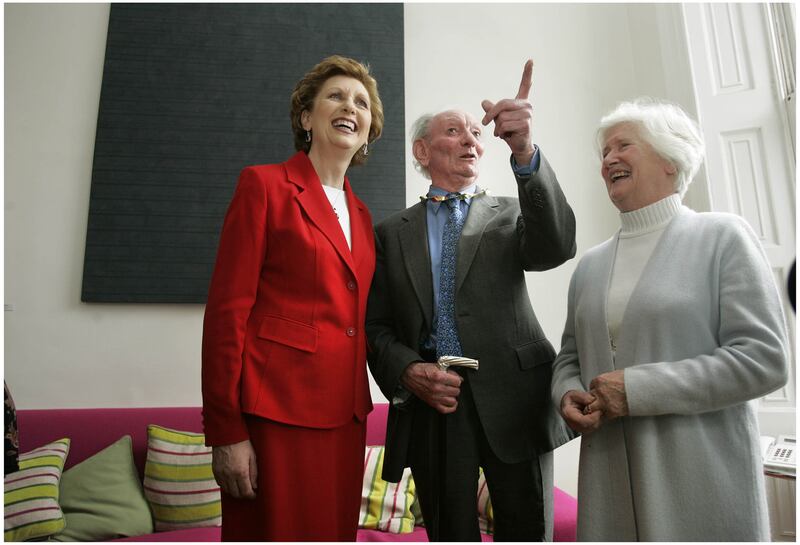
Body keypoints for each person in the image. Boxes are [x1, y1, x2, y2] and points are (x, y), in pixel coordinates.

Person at [551, 97, 790, 541]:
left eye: (623, 146)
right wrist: (566, 394)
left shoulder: (723, 237)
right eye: (604, 152)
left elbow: (765, 359)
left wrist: (638, 389)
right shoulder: (591, 264)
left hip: (699, 484)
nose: (608, 160)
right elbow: (569, 357)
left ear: (669, 158)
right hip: (609, 489)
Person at [366, 60, 576, 541]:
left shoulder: (513, 211)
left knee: (528, 530)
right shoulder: (388, 233)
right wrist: (407, 371)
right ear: (422, 150)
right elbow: (375, 327)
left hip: (516, 400)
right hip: (435, 404)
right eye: (454, 131)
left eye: (476, 133)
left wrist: (523, 150)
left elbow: (556, 247)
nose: (471, 140)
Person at [201, 55, 383, 541]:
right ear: (306, 117)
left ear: (368, 132)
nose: (351, 107)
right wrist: (226, 431)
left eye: (362, 103)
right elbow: (226, 314)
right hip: (276, 415)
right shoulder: (262, 186)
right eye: (337, 96)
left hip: (345, 418)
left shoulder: (364, 217)